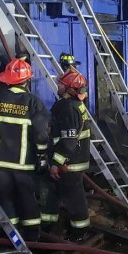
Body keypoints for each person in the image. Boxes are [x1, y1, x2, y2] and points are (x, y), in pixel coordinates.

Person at [0, 54, 50, 242]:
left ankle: (11, 234)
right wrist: (42, 156)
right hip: (23, 164)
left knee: (5, 197)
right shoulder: (33, 103)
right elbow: (41, 134)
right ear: (27, 80)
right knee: (27, 198)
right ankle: (31, 237)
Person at [46, 69, 93, 241]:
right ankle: (58, 228)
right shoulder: (73, 105)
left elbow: (69, 141)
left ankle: (79, 232)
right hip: (71, 160)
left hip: (69, 162)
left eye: (62, 85)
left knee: (74, 198)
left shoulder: (69, 108)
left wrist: (56, 163)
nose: (58, 86)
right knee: (66, 195)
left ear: (71, 90)